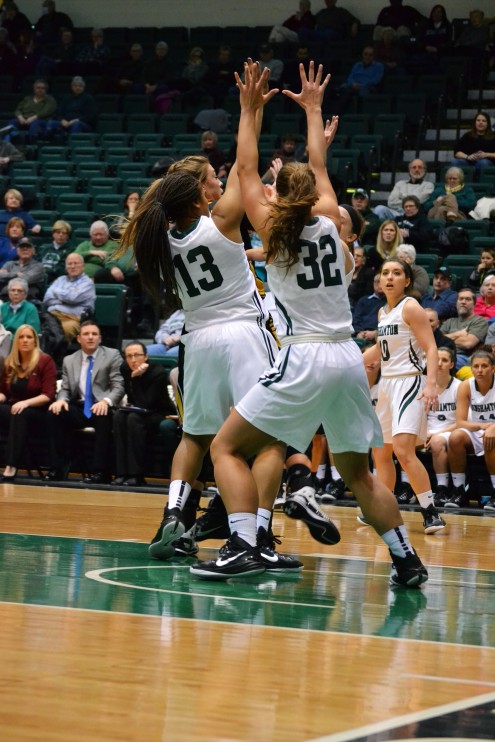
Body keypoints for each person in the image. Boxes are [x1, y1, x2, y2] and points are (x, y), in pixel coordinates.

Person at [189, 60, 429, 586]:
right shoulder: (330, 223)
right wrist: (313, 109)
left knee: (226, 447)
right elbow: (319, 166)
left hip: (304, 355)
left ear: (277, 195)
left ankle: (243, 545)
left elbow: (245, 168)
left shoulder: (272, 228)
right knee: (358, 473)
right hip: (346, 357)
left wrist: (249, 109)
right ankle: (406, 558)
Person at [120, 113, 294, 572]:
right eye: (212, 177)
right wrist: (250, 109)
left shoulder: (160, 240)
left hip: (197, 341)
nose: (219, 179)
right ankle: (255, 536)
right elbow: (246, 165)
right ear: (199, 193)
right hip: (243, 334)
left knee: (195, 437)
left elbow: (234, 171)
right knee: (268, 439)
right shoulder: (220, 222)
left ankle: (174, 515)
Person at [364, 258, 446, 533]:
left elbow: (431, 348)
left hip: (410, 381)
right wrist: (349, 364)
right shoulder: (382, 312)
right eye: (385, 273)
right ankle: (382, 508)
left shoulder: (410, 307)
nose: (389, 278)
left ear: (407, 280)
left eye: (396, 273)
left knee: (402, 449)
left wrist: (431, 384)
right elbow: (380, 349)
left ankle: (430, 512)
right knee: (381, 451)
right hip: (387, 384)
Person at [43, 321, 124, 484]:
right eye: (86, 334)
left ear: (100, 338)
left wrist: (106, 401)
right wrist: (61, 400)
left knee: (103, 415)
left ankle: (100, 472)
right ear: (79, 339)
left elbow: (118, 386)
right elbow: (65, 388)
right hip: (79, 407)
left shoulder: (112, 355)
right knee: (54, 413)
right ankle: (57, 468)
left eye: (94, 334)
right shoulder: (69, 360)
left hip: (100, 406)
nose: (90, 337)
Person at [112, 342, 178, 486]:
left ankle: (136, 475)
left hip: (159, 413)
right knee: (119, 417)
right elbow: (132, 398)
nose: (133, 360)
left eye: (137, 355)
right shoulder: (125, 368)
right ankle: (121, 473)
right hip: (138, 411)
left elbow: (147, 403)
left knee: (133, 419)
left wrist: (135, 378)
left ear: (146, 356)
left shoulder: (158, 372)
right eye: (129, 356)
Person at [0, 324, 56, 480]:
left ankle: (11, 466)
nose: (25, 340)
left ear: (35, 341)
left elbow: (48, 395)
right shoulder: (10, 363)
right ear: (16, 341)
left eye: (29, 337)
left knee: (20, 413)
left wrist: (26, 403)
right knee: (13, 411)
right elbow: (4, 392)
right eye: (21, 337)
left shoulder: (45, 361)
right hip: (14, 408)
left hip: (38, 412)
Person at [446, 350, 495, 510]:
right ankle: (459, 490)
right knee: (455, 437)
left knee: (490, 438)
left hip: (492, 431)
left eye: (484, 366)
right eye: (476, 366)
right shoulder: (466, 386)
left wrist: (492, 428)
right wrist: (481, 426)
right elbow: (460, 422)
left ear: (492, 368)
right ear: (471, 369)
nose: (480, 370)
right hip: (478, 429)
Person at [424, 346, 461, 506]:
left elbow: (461, 421)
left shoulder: (460, 386)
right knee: (405, 439)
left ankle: (442, 489)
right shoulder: (423, 385)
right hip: (427, 431)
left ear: (451, 365)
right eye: (436, 360)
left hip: (451, 430)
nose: (439, 363)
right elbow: (418, 417)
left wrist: (435, 434)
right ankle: (406, 487)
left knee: (437, 441)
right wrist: (424, 432)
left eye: (444, 360)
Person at [43, 253, 95, 342]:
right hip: (52, 316)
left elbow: (73, 298)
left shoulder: (87, 282)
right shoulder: (60, 280)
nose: (73, 266)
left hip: (72, 318)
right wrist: (65, 300)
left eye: (76, 263)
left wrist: (56, 292)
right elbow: (47, 299)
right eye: (70, 264)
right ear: (66, 267)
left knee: (61, 331)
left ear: (83, 266)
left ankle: (59, 351)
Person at [442, 288, 488, 368]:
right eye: (461, 299)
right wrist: (458, 334)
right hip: (442, 353)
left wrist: (446, 338)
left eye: (467, 299)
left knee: (441, 362)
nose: (463, 302)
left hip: (463, 358)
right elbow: (436, 340)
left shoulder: (480, 321)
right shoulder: (449, 321)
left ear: (474, 304)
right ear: (456, 302)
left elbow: (468, 343)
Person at [338, 46, 384, 112]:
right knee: (343, 86)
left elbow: (376, 79)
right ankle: (339, 113)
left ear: (374, 56)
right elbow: (350, 78)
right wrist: (353, 84)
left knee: (363, 89)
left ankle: (360, 113)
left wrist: (362, 85)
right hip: (354, 85)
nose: (367, 57)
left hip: (368, 86)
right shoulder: (357, 65)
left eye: (370, 55)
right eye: (365, 54)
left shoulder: (379, 66)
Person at [352, 272, 386, 343]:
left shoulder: (390, 302)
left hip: (381, 336)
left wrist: (376, 333)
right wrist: (358, 333)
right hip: (361, 335)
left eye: (382, 282)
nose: (379, 285)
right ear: (373, 284)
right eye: (377, 282)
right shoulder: (363, 300)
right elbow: (355, 319)